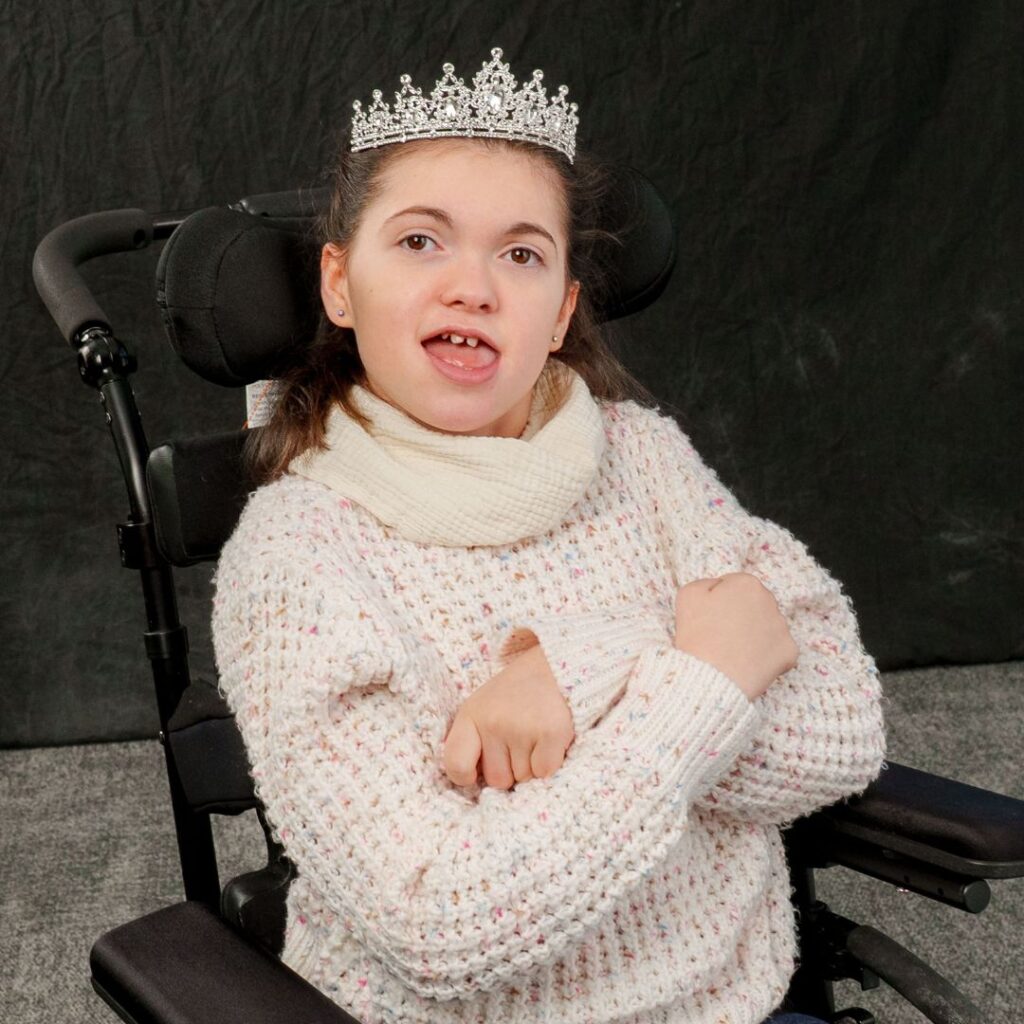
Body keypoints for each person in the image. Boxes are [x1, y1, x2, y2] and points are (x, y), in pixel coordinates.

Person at [211, 47, 885, 1024]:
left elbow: (844, 724)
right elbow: (445, 920)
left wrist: (575, 671)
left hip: (732, 997)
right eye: (420, 241)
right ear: (339, 283)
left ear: (562, 309)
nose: (472, 287)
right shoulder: (295, 561)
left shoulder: (642, 454)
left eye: (521, 254)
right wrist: (706, 675)